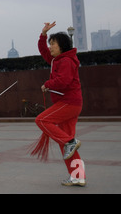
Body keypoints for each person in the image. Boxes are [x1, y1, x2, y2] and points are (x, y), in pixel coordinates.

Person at [30, 22, 86, 187]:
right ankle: (78, 176)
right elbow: (43, 51)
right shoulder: (57, 60)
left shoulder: (67, 61)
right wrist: (43, 35)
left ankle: (70, 141)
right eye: (50, 43)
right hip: (68, 103)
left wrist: (47, 84)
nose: (50, 47)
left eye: (53, 43)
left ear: (62, 46)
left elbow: (64, 81)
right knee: (66, 144)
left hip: (69, 102)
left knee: (41, 120)